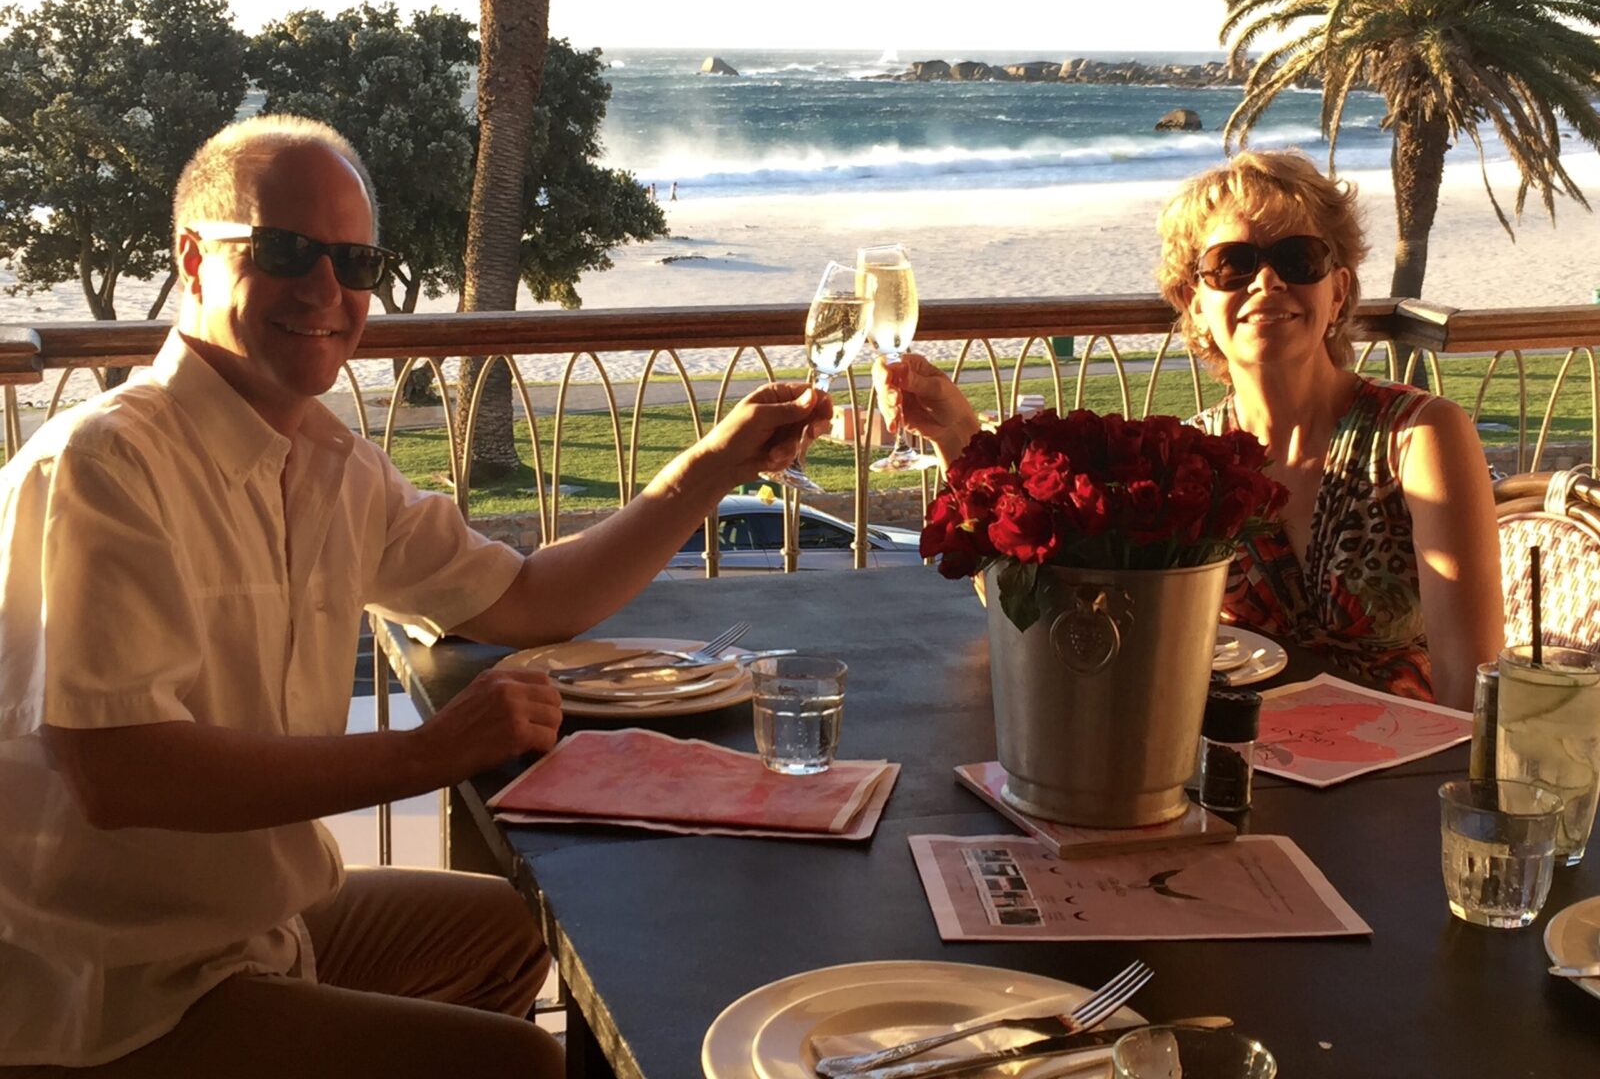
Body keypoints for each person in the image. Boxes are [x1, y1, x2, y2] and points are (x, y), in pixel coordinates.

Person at [0, 115, 830, 1077]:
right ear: (194, 259)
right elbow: (123, 772)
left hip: (265, 922)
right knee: (516, 1064)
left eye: (356, 264)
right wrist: (429, 753)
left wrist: (712, 463)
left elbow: (525, 599)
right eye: (285, 251)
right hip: (109, 989)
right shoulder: (105, 465)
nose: (327, 289)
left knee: (525, 925)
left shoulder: (331, 466)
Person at [876, 150, 1502, 709]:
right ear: (1193, 299)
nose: (1268, 281)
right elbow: (1055, 611)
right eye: (1233, 265)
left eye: (1299, 258)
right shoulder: (1187, 466)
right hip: (1235, 771)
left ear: (1337, 293)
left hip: (1394, 779)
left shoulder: (1418, 437)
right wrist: (957, 437)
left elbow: (1470, 687)